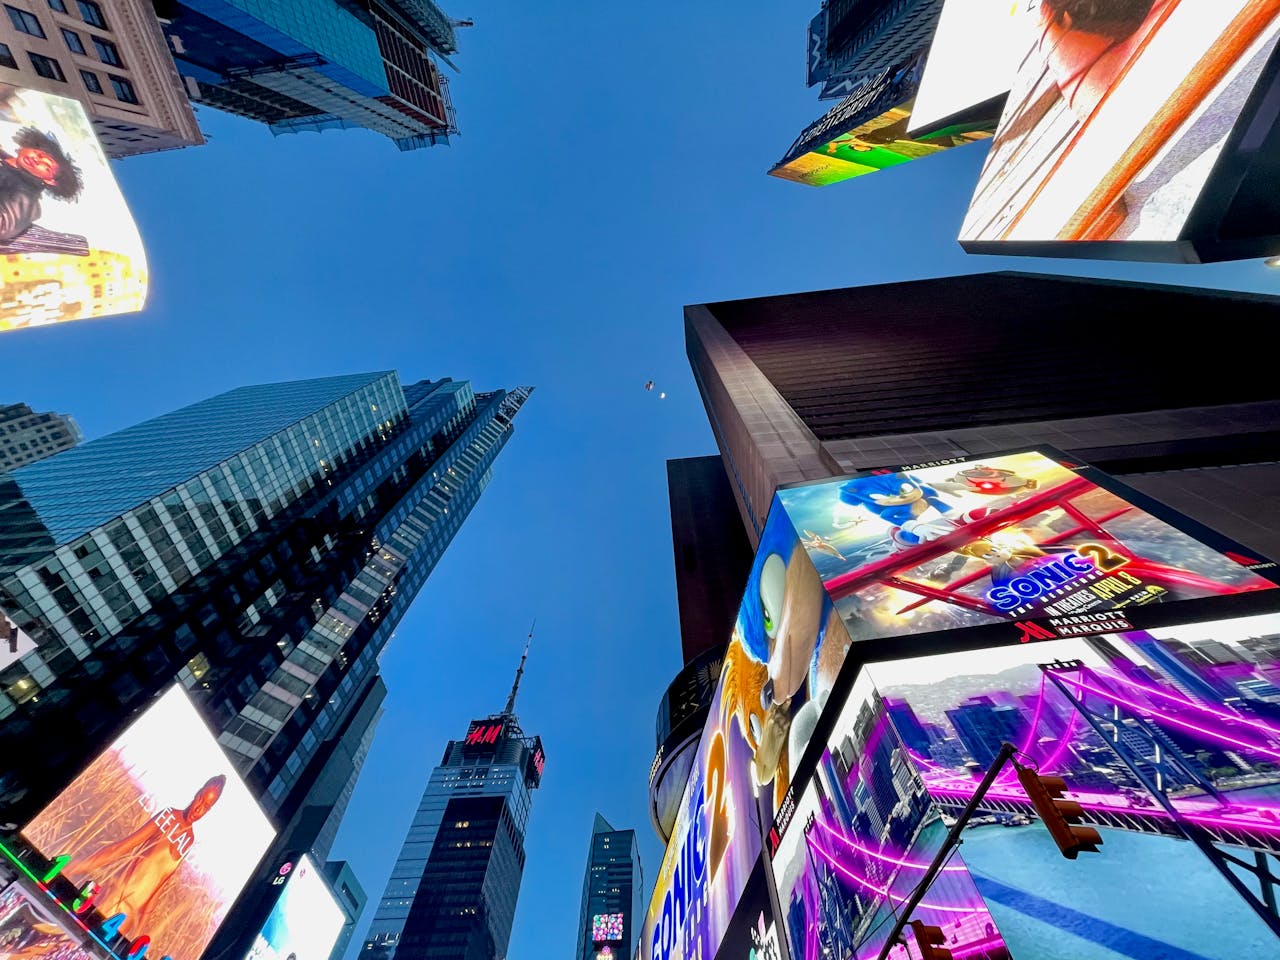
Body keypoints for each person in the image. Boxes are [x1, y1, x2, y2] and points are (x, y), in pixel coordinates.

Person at [68, 775, 226, 937]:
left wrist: (139, 933)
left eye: (206, 806)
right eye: (201, 799)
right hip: (116, 899)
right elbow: (121, 848)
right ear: (196, 794)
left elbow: (157, 888)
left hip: (129, 917)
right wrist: (75, 867)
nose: (199, 809)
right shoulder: (168, 816)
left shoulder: (189, 840)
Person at [0, 128, 82, 243]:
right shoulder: (7, 162)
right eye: (39, 154)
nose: (36, 160)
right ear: (26, 146)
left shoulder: (24, 197)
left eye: (46, 167)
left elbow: (3, 226)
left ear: (50, 181)